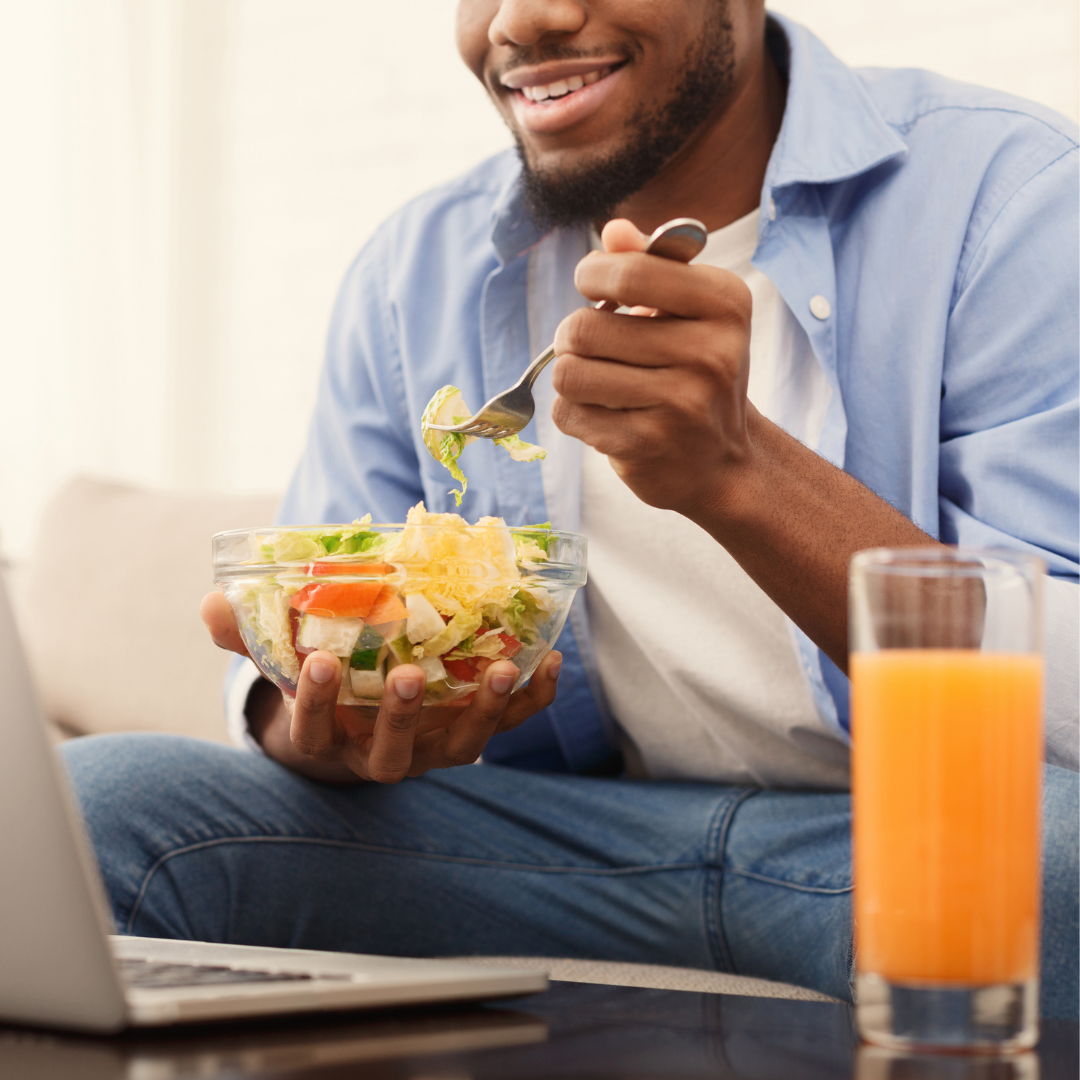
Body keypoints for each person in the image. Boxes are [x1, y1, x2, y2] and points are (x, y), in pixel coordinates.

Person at [63, 1, 1078, 1016]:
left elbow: (1064, 705)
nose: (526, 18)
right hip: (560, 840)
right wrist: (315, 718)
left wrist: (744, 472)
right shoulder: (414, 272)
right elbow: (313, 662)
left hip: (919, 829)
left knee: (1061, 861)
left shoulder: (1008, 199)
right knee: (90, 812)